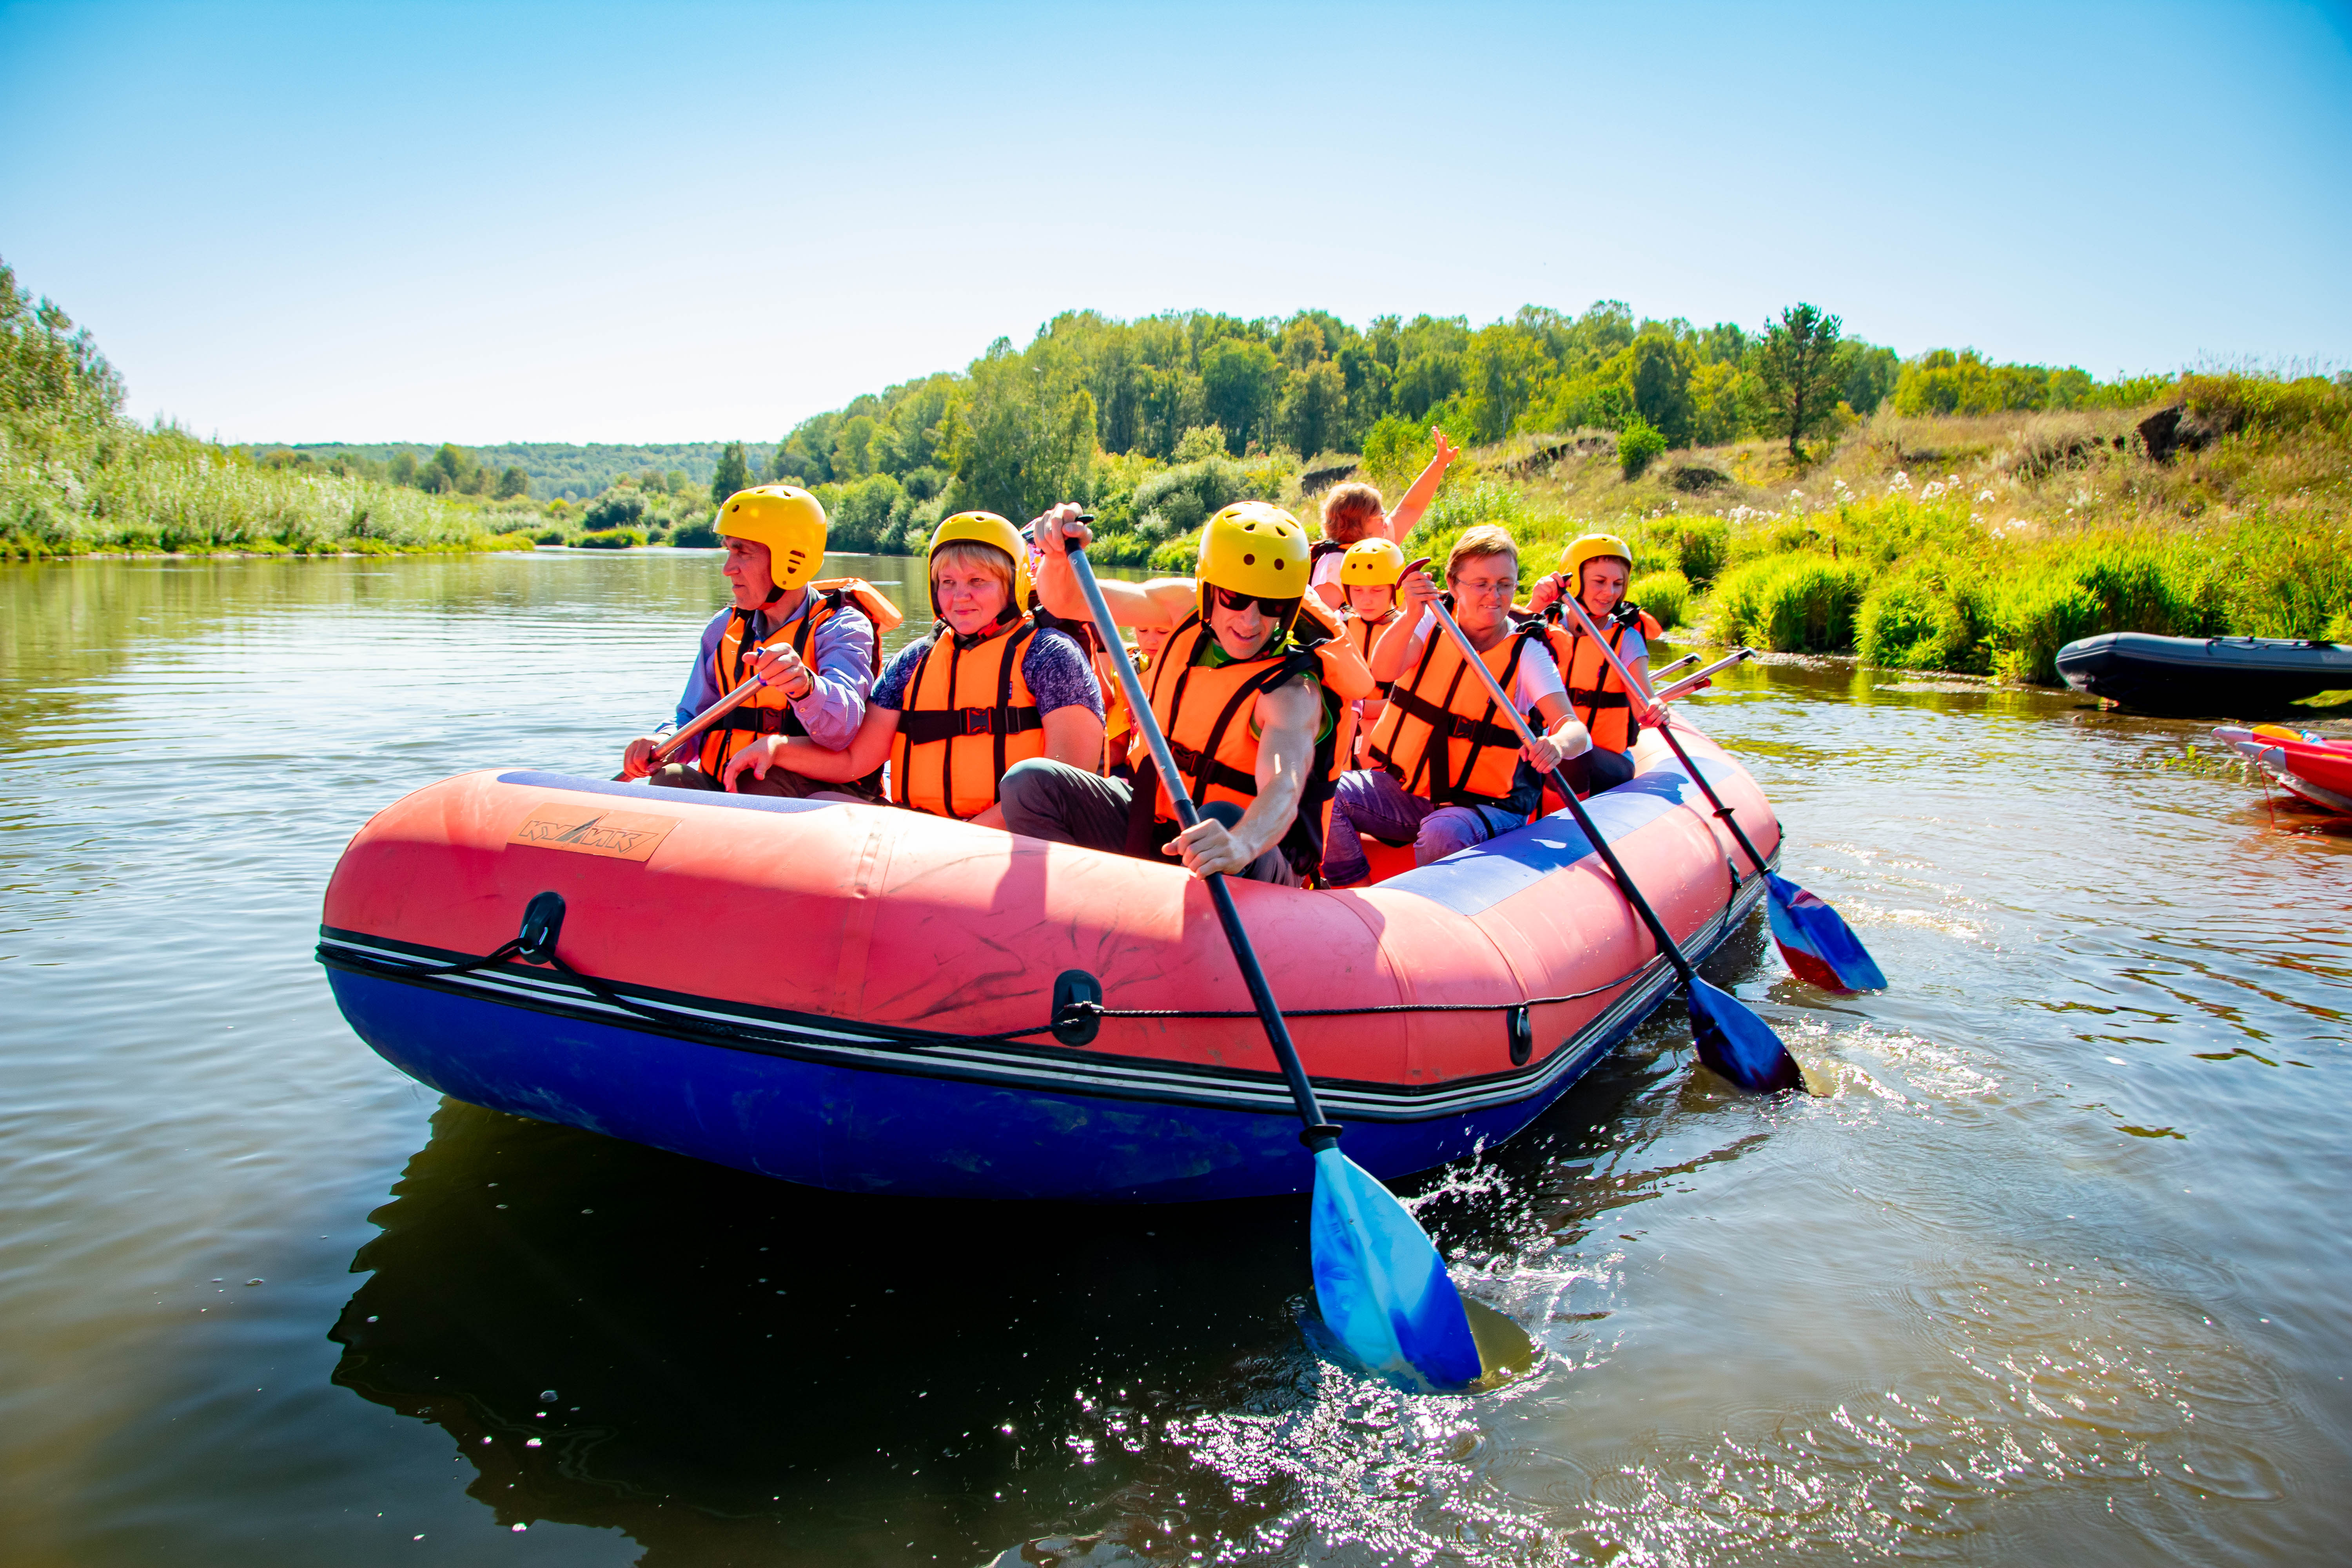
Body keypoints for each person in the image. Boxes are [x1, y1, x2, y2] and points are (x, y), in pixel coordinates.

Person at [1007, 500, 1376, 885]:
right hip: (1158, 826)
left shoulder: (1293, 689)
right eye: (1235, 599)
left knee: (1221, 816)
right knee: (1030, 783)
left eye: (1271, 604)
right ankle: (1081, 914)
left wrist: (1242, 843)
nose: (1251, 621)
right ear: (1209, 588)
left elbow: (1284, 784)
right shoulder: (1181, 607)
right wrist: (1054, 555)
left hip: (1246, 857)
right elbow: (1067, 599)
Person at [726, 512, 1103, 824]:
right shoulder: (913, 661)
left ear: (1013, 585)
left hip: (1016, 836)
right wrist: (777, 747)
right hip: (922, 829)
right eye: (948, 582)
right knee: (798, 793)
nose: (960, 596)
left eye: (978, 582)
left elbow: (1064, 779)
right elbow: (855, 760)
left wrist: (968, 837)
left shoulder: (1049, 655)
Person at [1321, 525, 1592, 887]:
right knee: (1327, 792)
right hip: (1412, 793)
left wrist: (1557, 744)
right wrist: (1412, 614)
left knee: (1442, 831)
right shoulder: (1432, 621)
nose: (1494, 596)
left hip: (1488, 809)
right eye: (1480, 584)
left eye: (1505, 584)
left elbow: (1575, 729)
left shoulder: (1528, 653)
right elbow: (1382, 671)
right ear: (1452, 584)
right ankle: (1356, 895)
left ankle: (1438, 919)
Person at [618, 485, 895, 796]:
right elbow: (693, 717)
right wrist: (664, 742)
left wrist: (805, 686)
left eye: (743, 552)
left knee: (760, 780)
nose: (728, 569)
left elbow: (842, 732)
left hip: (808, 791)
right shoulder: (723, 627)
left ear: (792, 559)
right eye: (728, 550)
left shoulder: (842, 627)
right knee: (671, 777)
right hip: (732, 787)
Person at [1523, 533, 1662, 798]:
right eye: (1600, 582)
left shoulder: (1627, 638)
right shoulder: (1541, 626)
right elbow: (1497, 658)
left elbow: (1644, 702)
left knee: (1574, 752)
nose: (1610, 592)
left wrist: (1655, 708)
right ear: (1573, 582)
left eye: (1618, 584)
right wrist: (1534, 606)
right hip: (1546, 754)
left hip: (1607, 764)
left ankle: (1576, 827)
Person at [1309, 428, 1461, 609]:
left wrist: (1440, 463)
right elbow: (1323, 623)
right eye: (1381, 515)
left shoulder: (1378, 542)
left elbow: (1411, 507)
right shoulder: (1333, 565)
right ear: (1360, 523)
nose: (1386, 519)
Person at [1334, 537, 1407, 754]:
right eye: (1357, 590)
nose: (1366, 600)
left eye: (1377, 591)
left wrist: (1365, 708)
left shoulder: (1407, 631)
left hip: (1387, 736)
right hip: (1346, 732)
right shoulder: (1339, 624)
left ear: (1395, 590)